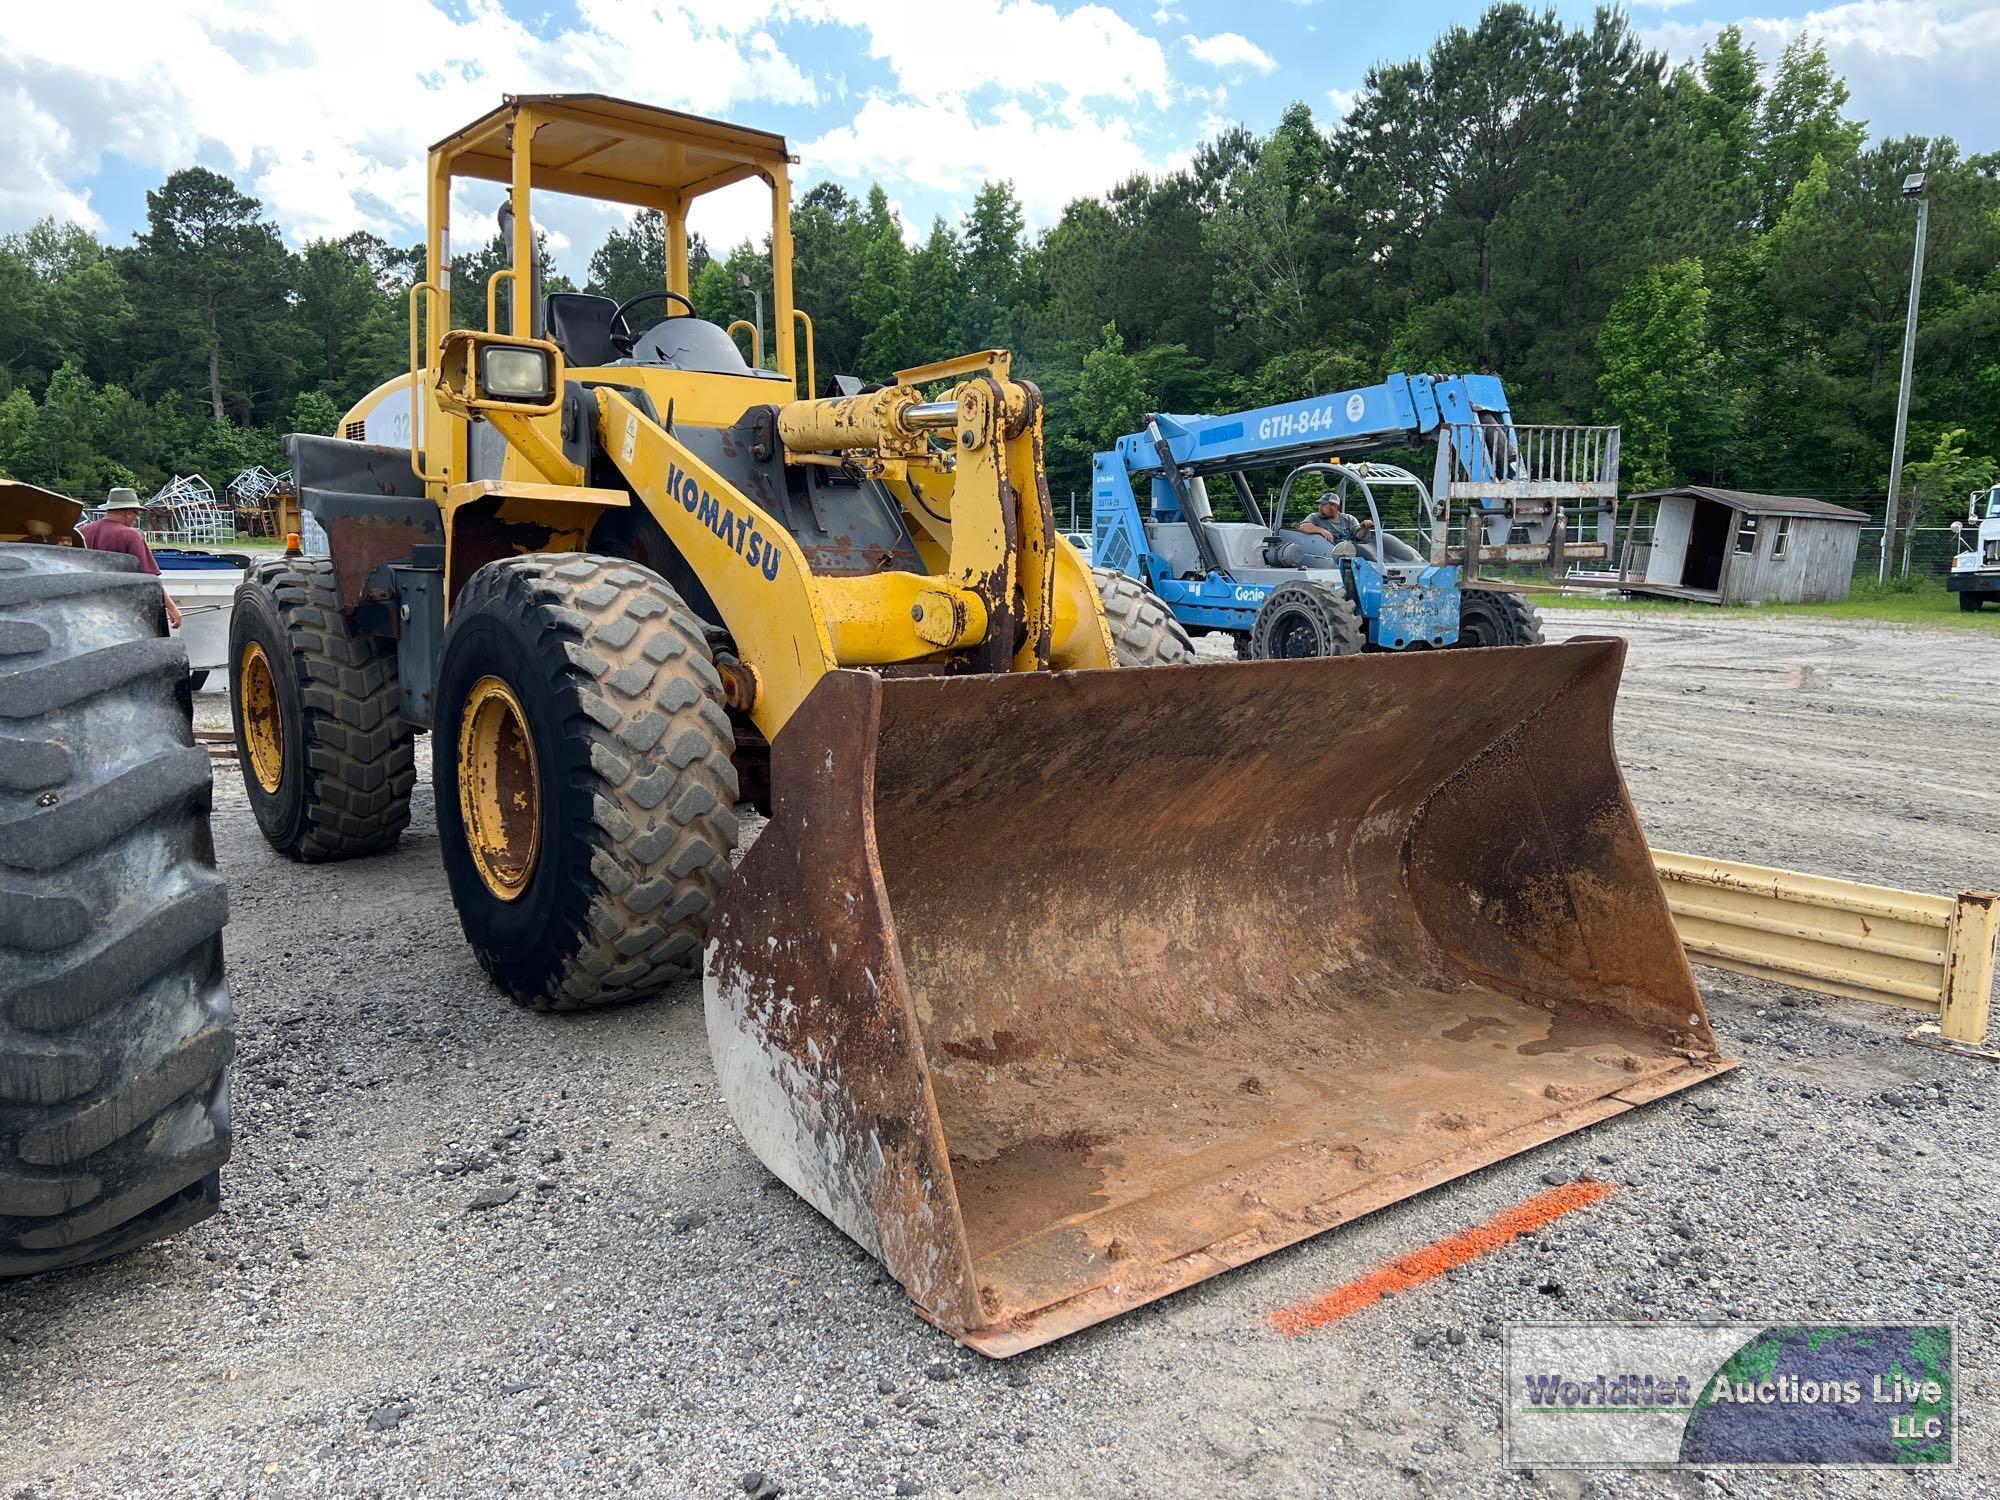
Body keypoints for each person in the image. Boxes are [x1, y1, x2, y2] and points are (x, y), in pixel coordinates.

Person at [81, 488, 182, 626]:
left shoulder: (83, 531)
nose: (136, 518)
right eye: (137, 514)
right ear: (129, 512)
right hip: (121, 610)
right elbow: (150, 579)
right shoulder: (131, 535)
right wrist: (172, 608)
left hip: (87, 608)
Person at [1297, 494, 1372, 552]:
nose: (1319, 507)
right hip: (1325, 555)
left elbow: (1359, 537)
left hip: (1349, 555)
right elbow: (1303, 527)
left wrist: (1365, 528)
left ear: (1334, 506)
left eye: (1323, 505)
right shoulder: (1315, 517)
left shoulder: (1349, 519)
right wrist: (1321, 530)